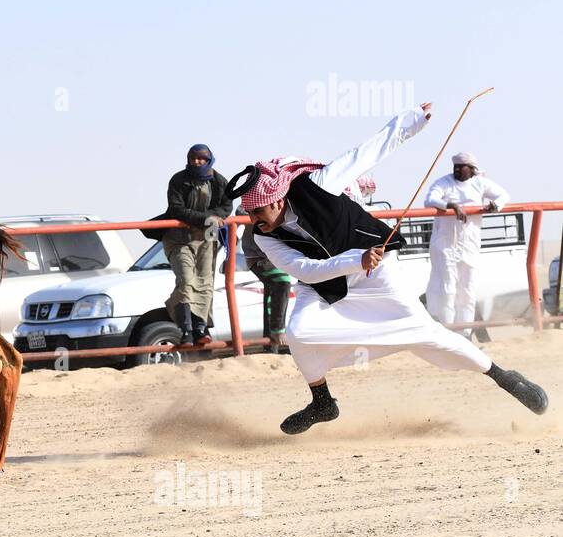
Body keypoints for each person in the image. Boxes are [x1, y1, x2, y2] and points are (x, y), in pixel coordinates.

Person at [225, 105, 547, 434]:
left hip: (375, 276)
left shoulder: (318, 185)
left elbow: (366, 152)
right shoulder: (264, 236)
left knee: (427, 334)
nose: (253, 221)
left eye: (256, 211)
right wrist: (355, 259)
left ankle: (502, 376)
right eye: (249, 215)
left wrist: (411, 121)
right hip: (323, 284)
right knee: (299, 332)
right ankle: (322, 401)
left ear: (277, 199)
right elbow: (306, 270)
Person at [423, 152, 510, 335]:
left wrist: (495, 205)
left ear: (471, 169)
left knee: (467, 289)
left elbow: (503, 195)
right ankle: (447, 332)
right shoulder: (444, 183)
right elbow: (429, 199)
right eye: (455, 166)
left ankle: (465, 335)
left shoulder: (480, 183)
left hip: (469, 243)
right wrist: (451, 205)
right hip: (445, 243)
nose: (456, 169)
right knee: (447, 288)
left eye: (460, 166)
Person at [164, 144, 230, 347]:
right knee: (186, 280)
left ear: (209, 160)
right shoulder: (178, 180)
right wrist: (207, 218)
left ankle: (201, 328)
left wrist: (213, 218)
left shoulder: (219, 182)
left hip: (207, 238)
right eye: (193, 158)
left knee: (205, 281)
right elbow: (177, 210)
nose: (197, 162)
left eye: (201, 159)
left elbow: (226, 207)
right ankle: (186, 330)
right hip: (179, 238)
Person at [240, 223, 292, 353]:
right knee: (281, 282)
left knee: (274, 290)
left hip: (280, 253)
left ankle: (271, 345)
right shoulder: (252, 204)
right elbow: (241, 210)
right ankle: (277, 331)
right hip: (259, 255)